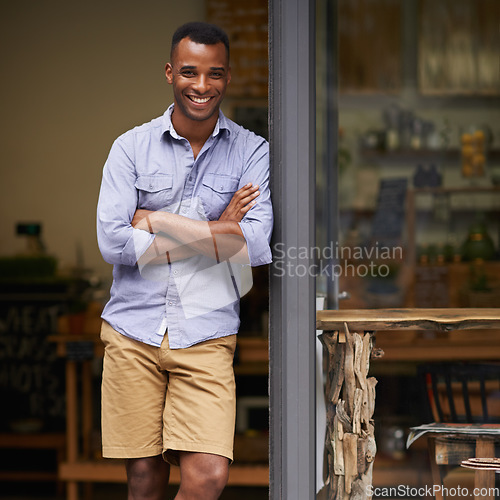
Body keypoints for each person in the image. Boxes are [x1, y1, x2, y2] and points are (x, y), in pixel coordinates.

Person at [96, 21, 273, 500]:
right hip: (133, 331)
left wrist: (155, 220)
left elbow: (254, 247)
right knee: (145, 479)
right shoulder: (129, 148)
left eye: (214, 74)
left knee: (208, 475)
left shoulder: (252, 151)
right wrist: (218, 230)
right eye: (190, 72)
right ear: (170, 72)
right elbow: (113, 244)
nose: (201, 86)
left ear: (227, 77)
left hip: (208, 332)